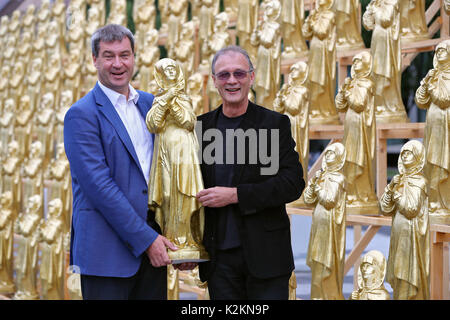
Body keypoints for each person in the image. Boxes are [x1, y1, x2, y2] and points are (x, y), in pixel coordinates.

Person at [64, 24, 189, 300]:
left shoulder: (151, 105)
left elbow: (170, 170)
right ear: (95, 60)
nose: (118, 64)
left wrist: (182, 239)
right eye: (109, 56)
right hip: (107, 255)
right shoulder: (81, 115)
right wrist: (147, 240)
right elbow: (100, 188)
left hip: (154, 248)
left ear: (134, 57)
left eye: (125, 55)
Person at [196, 45, 304, 299]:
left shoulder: (275, 124)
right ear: (214, 81)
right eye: (223, 75)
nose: (232, 81)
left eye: (239, 74)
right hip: (218, 260)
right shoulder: (199, 128)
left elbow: (292, 183)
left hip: (266, 258)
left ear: (251, 77)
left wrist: (236, 195)